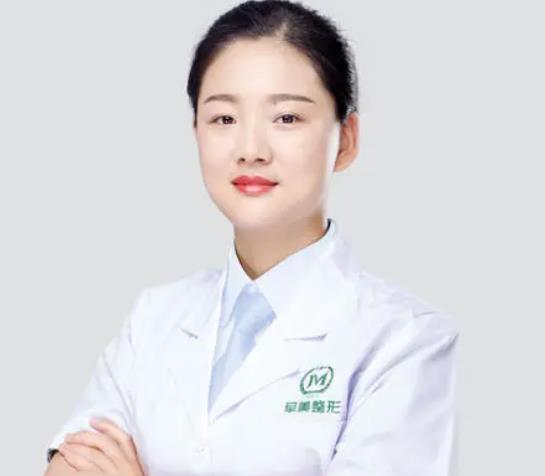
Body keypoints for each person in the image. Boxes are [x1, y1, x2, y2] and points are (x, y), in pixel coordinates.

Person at [44, 1, 460, 475]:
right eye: (224, 119)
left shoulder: (406, 341)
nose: (250, 150)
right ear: (196, 131)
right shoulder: (154, 319)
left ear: (345, 140)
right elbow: (72, 465)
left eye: (286, 118)